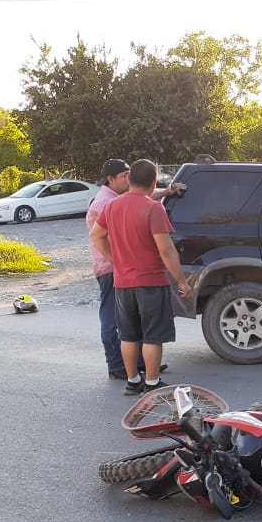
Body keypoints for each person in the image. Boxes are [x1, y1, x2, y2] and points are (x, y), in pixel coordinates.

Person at [89, 159, 189, 395]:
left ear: (130, 179)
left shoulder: (112, 206)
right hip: (151, 282)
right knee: (152, 336)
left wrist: (115, 259)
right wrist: (182, 281)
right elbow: (165, 250)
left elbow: (96, 235)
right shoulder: (154, 209)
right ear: (153, 182)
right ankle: (152, 383)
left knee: (128, 335)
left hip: (123, 282)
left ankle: (133, 381)